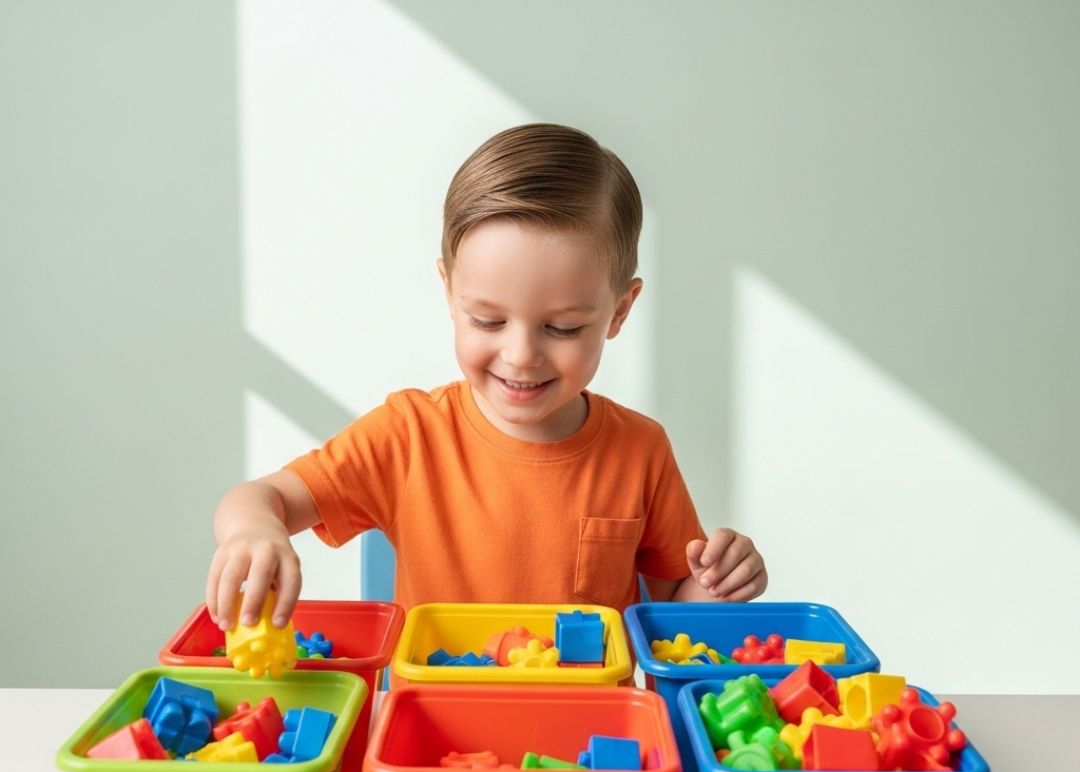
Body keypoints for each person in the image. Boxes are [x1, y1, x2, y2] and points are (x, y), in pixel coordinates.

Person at [207, 123, 767, 631]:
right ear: (449, 293)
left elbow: (673, 617)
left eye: (563, 327)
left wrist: (719, 587)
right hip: (434, 731)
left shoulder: (640, 451)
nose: (521, 354)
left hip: (589, 736)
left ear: (619, 311)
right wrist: (252, 530)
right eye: (488, 320)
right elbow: (259, 497)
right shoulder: (407, 436)